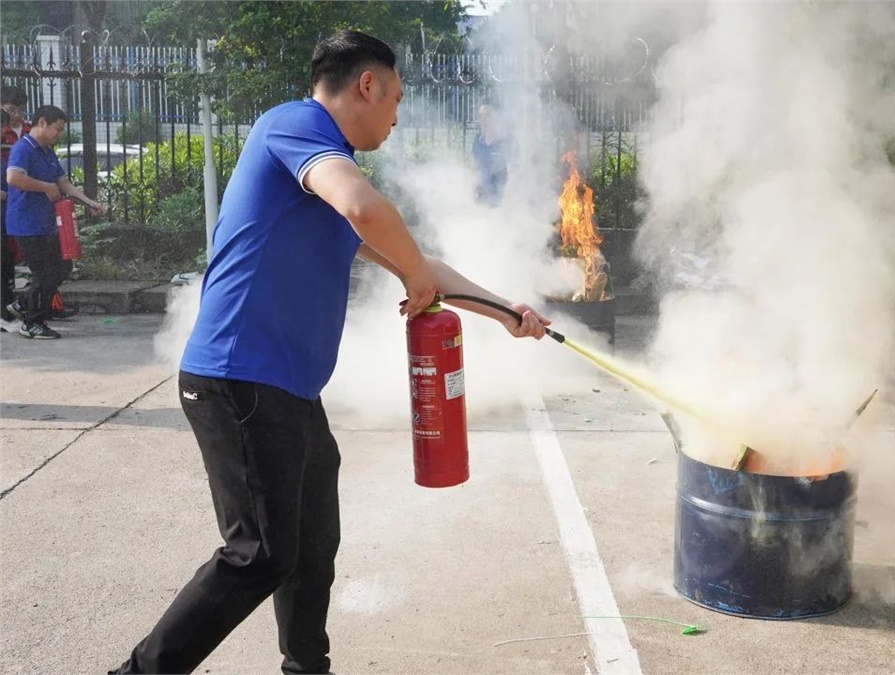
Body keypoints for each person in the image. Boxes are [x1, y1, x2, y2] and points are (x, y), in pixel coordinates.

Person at [108, 30, 549, 675]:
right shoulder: (295, 127)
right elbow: (366, 209)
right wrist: (414, 274)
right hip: (239, 379)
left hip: (287, 390)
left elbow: (419, 263)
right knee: (258, 553)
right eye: (395, 99)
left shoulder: (323, 173)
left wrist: (507, 312)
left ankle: (307, 667)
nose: (396, 118)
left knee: (312, 542)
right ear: (367, 85)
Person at [3, 105, 103, 339]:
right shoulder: (23, 148)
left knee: (63, 266)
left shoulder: (47, 151)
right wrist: (45, 187)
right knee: (44, 272)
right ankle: (32, 322)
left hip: (46, 222)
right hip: (26, 222)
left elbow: (63, 183)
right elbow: (13, 177)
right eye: (57, 129)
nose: (59, 134)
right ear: (42, 123)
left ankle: (24, 304)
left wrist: (89, 202)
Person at [1, 85, 32, 333]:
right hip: (5, 197)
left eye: (20, 110)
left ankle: (12, 310)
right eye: (11, 110)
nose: (16, 115)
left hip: (20, 201)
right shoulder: (3, 133)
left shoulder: (30, 132)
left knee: (12, 256)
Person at [471, 101, 509, 206]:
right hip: (480, 201)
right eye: (480, 116)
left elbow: (514, 174)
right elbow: (473, 168)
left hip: (501, 203)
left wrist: (508, 203)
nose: (483, 120)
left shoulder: (505, 142)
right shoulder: (477, 141)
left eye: (487, 115)